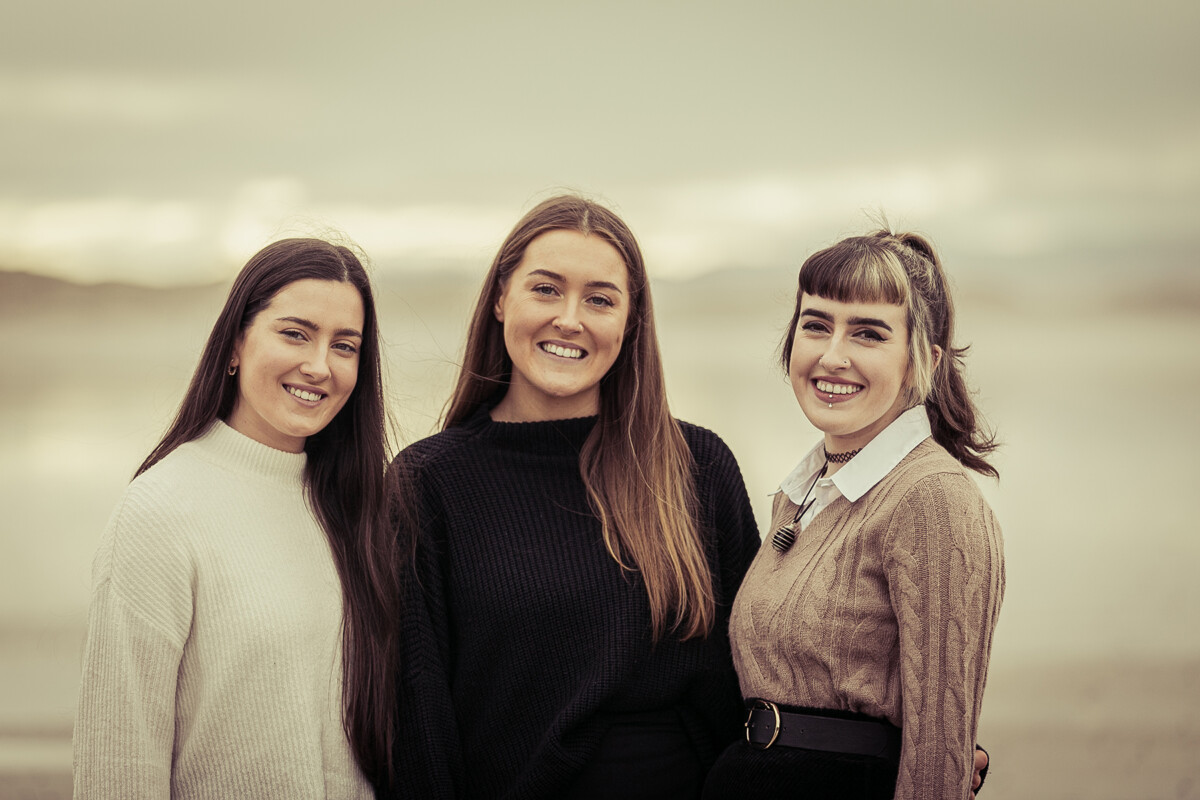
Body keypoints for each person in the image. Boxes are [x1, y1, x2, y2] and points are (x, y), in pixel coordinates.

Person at [387, 195, 762, 799]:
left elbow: (762, 671)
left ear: (630, 322)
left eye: (600, 299)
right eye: (546, 289)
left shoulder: (699, 467)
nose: (570, 318)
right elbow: (418, 714)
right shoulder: (428, 483)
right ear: (501, 298)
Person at [73, 238, 404, 798]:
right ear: (234, 344)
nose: (319, 366)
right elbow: (117, 766)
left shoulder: (364, 508)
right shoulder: (161, 512)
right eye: (295, 333)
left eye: (344, 346)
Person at [704, 230, 1005, 800]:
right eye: (816, 325)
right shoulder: (802, 491)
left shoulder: (931, 499)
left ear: (925, 360)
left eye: (868, 333)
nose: (832, 355)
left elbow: (941, 754)